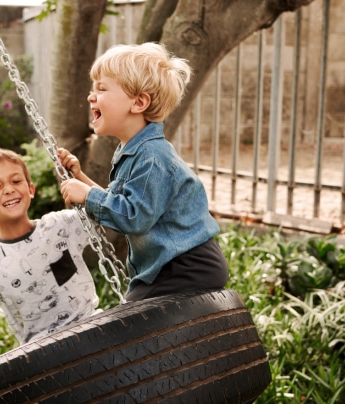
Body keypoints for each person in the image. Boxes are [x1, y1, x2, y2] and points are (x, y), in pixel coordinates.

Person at [58, 42, 229, 302]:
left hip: (186, 266)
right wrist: (80, 178)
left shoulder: (152, 158)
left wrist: (87, 195)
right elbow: (123, 205)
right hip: (172, 264)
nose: (91, 96)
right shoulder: (134, 150)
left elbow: (133, 217)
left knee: (133, 322)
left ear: (138, 102)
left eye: (102, 88)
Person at [0, 148, 100, 344]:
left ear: (30, 189)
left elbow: (107, 211)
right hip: (43, 351)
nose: (8, 189)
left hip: (92, 327)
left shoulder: (59, 225)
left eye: (16, 181)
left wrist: (79, 176)